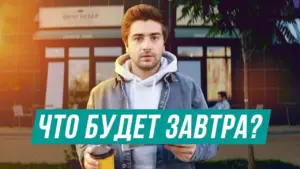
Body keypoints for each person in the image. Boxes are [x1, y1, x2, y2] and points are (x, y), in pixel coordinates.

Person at [76, 4, 218, 169]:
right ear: (126, 44)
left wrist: (197, 149)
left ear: (163, 42)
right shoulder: (100, 94)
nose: (146, 46)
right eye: (138, 38)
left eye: (154, 37)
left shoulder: (188, 89)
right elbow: (85, 140)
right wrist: (86, 155)